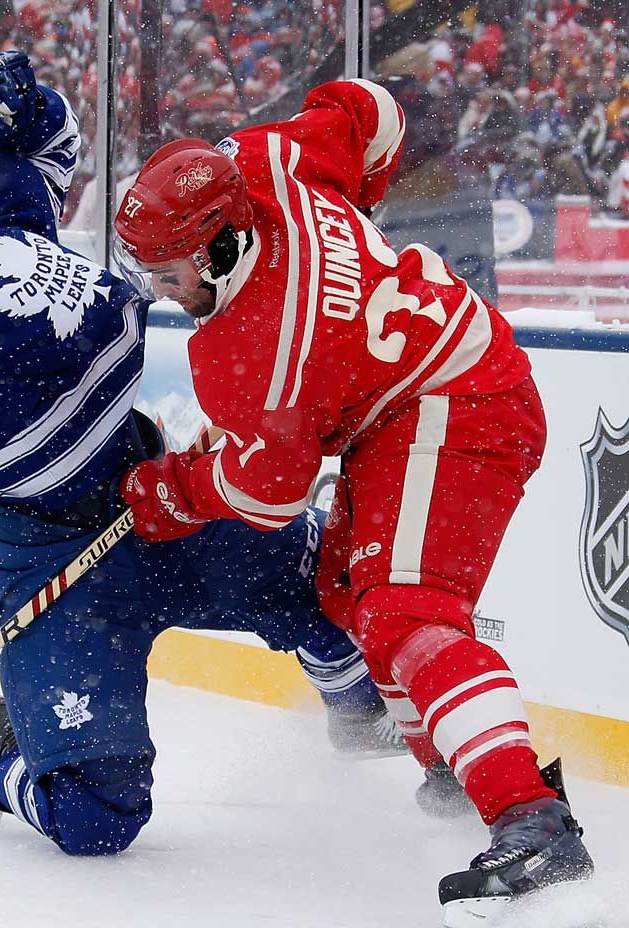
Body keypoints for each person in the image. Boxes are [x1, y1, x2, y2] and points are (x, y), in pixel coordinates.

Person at [0, 52, 405, 859]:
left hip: (157, 496)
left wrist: (11, 107)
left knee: (326, 571)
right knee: (95, 821)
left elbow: (53, 139)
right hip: (53, 570)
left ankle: (357, 711)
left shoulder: (10, 216)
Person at [112, 78, 595, 915]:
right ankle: (451, 762)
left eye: (167, 271)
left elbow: (267, 496)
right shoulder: (263, 160)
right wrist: (348, 229)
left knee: (406, 610)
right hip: (411, 391)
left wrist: (173, 490)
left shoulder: (249, 352)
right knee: (343, 589)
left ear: (221, 246)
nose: (157, 288)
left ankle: (532, 819)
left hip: (461, 401)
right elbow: (371, 110)